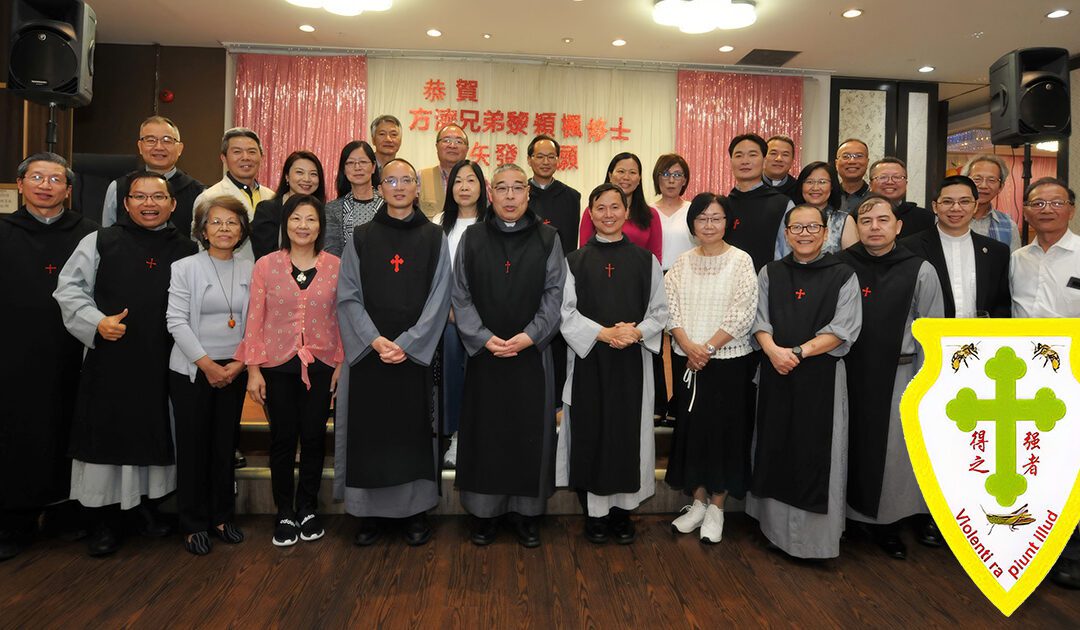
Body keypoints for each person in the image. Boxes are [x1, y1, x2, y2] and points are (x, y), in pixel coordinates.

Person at [54, 171, 197, 556]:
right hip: (110, 359)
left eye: (157, 197)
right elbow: (68, 289)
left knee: (155, 431)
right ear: (126, 202)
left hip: (161, 359)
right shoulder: (99, 241)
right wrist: (96, 322)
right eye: (140, 197)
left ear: (172, 203)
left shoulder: (187, 248)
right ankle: (104, 521)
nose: (149, 204)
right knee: (107, 432)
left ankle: (146, 510)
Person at [335, 158, 452, 547]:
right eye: (391, 180)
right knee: (371, 435)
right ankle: (367, 514)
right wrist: (374, 339)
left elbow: (440, 297)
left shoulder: (434, 238)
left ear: (418, 187)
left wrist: (409, 343)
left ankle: (414, 513)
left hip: (414, 358)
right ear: (379, 186)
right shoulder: (362, 237)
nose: (399, 187)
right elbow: (348, 295)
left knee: (412, 434)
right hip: (370, 355)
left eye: (407, 180)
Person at [452, 163, 565, 548]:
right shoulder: (471, 238)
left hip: (531, 355)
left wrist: (529, 337)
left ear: (529, 194)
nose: (511, 195)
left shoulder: (549, 238)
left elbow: (555, 295)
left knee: (528, 432)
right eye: (503, 188)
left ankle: (526, 515)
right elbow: (460, 295)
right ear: (491, 193)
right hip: (484, 355)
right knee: (486, 432)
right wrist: (483, 338)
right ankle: (484, 515)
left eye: (519, 187)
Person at [745, 204, 862, 560]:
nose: (805, 234)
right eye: (797, 227)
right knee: (775, 446)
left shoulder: (843, 274)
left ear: (826, 232)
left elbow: (845, 329)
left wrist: (795, 353)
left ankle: (813, 543)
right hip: (775, 372)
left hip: (821, 374)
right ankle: (775, 531)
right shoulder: (771, 271)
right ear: (786, 233)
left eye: (813, 227)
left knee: (816, 453)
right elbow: (758, 320)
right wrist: (773, 351)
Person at [557, 183, 668, 545]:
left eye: (615, 207)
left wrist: (635, 333)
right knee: (592, 433)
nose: (608, 214)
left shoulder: (644, 261)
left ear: (626, 211)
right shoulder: (573, 261)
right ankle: (595, 515)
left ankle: (623, 513)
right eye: (600, 208)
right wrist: (603, 334)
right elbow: (565, 312)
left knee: (628, 433)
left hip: (631, 362)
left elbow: (660, 311)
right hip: (590, 359)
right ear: (590, 214)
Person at [0, 153, 97, 561]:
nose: (45, 185)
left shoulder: (90, 234)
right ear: (20, 185)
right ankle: (14, 521)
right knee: (16, 433)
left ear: (68, 190)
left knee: (69, 426)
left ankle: (67, 514)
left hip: (72, 352)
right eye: (36, 177)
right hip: (13, 353)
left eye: (56, 179)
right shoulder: (3, 231)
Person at [235, 194, 343, 547]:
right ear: (285, 223)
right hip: (276, 365)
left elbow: (341, 318)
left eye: (310, 219)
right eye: (296, 218)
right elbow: (254, 318)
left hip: (321, 363)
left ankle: (308, 508)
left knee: (313, 437)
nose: (303, 226)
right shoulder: (266, 265)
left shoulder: (335, 265)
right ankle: (284, 511)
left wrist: (340, 363)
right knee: (282, 439)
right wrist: (253, 368)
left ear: (320, 226)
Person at [839, 195, 944, 560]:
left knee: (893, 453)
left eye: (883, 220)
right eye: (866, 221)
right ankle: (846, 519)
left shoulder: (920, 270)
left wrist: (924, 385)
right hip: (847, 371)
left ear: (898, 226)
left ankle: (889, 524)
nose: (874, 227)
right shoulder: (840, 265)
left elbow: (932, 332)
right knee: (846, 443)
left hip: (900, 374)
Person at [664, 192, 758, 544]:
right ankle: (698, 503)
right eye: (701, 218)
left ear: (727, 222)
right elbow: (669, 308)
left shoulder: (741, 261)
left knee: (725, 433)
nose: (708, 224)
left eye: (716, 218)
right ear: (692, 224)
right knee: (693, 432)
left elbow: (743, 311)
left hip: (728, 361)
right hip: (690, 360)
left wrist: (707, 348)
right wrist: (689, 347)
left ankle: (718, 507)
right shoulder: (682, 263)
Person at [166, 196, 253, 555]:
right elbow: (175, 321)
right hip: (192, 370)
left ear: (242, 230)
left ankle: (221, 516)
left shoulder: (252, 268)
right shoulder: (185, 267)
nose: (224, 229)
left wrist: (239, 363)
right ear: (203, 230)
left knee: (223, 447)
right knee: (193, 447)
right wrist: (207, 364)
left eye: (232, 222)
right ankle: (192, 522)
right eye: (216, 223)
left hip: (235, 369)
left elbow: (257, 322)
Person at [1008, 177, 1080, 589]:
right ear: (1027, 210)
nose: (1046, 209)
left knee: (1072, 463)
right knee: (1035, 462)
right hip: (1025, 376)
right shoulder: (1017, 258)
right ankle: (1034, 543)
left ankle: (1070, 550)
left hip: (1073, 374)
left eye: (1056, 202)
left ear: (1070, 207)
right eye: (1037, 203)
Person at [432, 160, 489, 468]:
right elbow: (434, 275)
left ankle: (481, 434)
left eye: (471, 181)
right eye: (458, 181)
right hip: (449, 316)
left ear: (482, 187)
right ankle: (455, 435)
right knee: (453, 370)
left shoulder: (491, 222)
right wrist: (451, 310)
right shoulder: (439, 222)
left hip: (487, 315)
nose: (464, 187)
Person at [901, 175, 1011, 318]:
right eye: (947, 201)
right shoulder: (909, 248)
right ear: (935, 206)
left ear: (975, 206)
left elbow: (1002, 303)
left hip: (979, 337)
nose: (956, 208)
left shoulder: (997, 252)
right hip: (928, 336)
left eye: (965, 201)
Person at [101, 116, 205, 237]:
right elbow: (106, 239)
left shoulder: (199, 193)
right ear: (140, 146)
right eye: (151, 140)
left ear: (180, 148)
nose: (159, 147)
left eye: (167, 140)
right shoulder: (118, 188)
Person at [651, 153, 695, 423]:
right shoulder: (647, 210)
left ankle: (680, 402)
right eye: (666, 174)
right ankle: (657, 404)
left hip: (686, 279)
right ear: (657, 178)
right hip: (655, 279)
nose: (671, 180)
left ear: (685, 180)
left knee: (681, 340)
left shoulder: (693, 210)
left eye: (677, 174)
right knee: (655, 343)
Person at [192, 128, 274, 261]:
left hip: (268, 274)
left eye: (252, 152)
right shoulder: (209, 197)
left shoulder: (272, 196)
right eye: (237, 152)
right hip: (224, 274)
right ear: (223, 158)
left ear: (261, 157)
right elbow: (201, 245)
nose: (245, 157)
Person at [724, 133, 792, 272]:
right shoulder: (723, 206)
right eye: (738, 155)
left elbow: (788, 253)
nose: (745, 161)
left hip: (766, 285)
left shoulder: (782, 205)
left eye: (752, 155)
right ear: (731, 161)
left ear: (764, 160)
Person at [579, 152, 663, 262]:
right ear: (610, 175)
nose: (626, 177)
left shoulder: (650, 214)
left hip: (639, 275)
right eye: (621, 171)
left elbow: (655, 258)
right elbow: (584, 254)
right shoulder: (594, 212)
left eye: (632, 172)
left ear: (639, 179)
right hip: (598, 273)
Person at [250, 151, 326, 259]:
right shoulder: (267, 210)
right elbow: (264, 255)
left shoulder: (325, 211)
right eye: (300, 172)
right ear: (287, 176)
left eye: (313, 174)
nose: (307, 179)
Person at [325, 140, 384, 257]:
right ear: (344, 170)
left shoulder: (388, 204)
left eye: (362, 162)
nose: (357, 167)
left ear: (373, 167)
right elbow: (331, 253)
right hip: (347, 272)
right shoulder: (332, 209)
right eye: (351, 163)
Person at [527, 134, 581, 256]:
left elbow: (571, 241)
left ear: (558, 160)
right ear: (529, 160)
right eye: (540, 156)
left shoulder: (572, 196)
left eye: (551, 157)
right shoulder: (520, 194)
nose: (546, 162)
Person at [792, 161, 858, 254]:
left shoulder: (843, 221)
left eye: (822, 182)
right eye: (809, 182)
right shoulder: (790, 217)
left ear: (832, 186)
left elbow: (853, 262)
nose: (815, 188)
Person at [963, 154, 1022, 251]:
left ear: (1001, 187)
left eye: (991, 180)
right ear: (965, 181)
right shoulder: (948, 218)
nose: (983, 185)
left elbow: (1013, 264)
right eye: (977, 179)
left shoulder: (1009, 226)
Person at [868, 158, 934, 237]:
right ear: (870, 185)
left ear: (906, 184)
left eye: (897, 177)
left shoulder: (926, 218)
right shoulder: (859, 215)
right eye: (883, 177)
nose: (890, 182)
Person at [419, 124, 469, 219]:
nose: (452, 145)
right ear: (437, 146)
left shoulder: (478, 181)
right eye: (446, 140)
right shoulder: (421, 177)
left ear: (467, 149)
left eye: (459, 141)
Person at [835, 138, 870, 214]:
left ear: (867, 162)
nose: (852, 161)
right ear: (836, 163)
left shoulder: (875, 198)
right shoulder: (828, 196)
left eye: (859, 156)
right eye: (846, 156)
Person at [763, 135, 799, 200]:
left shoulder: (799, 190)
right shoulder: (751, 184)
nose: (779, 159)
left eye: (785, 155)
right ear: (763, 158)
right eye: (773, 153)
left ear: (792, 161)